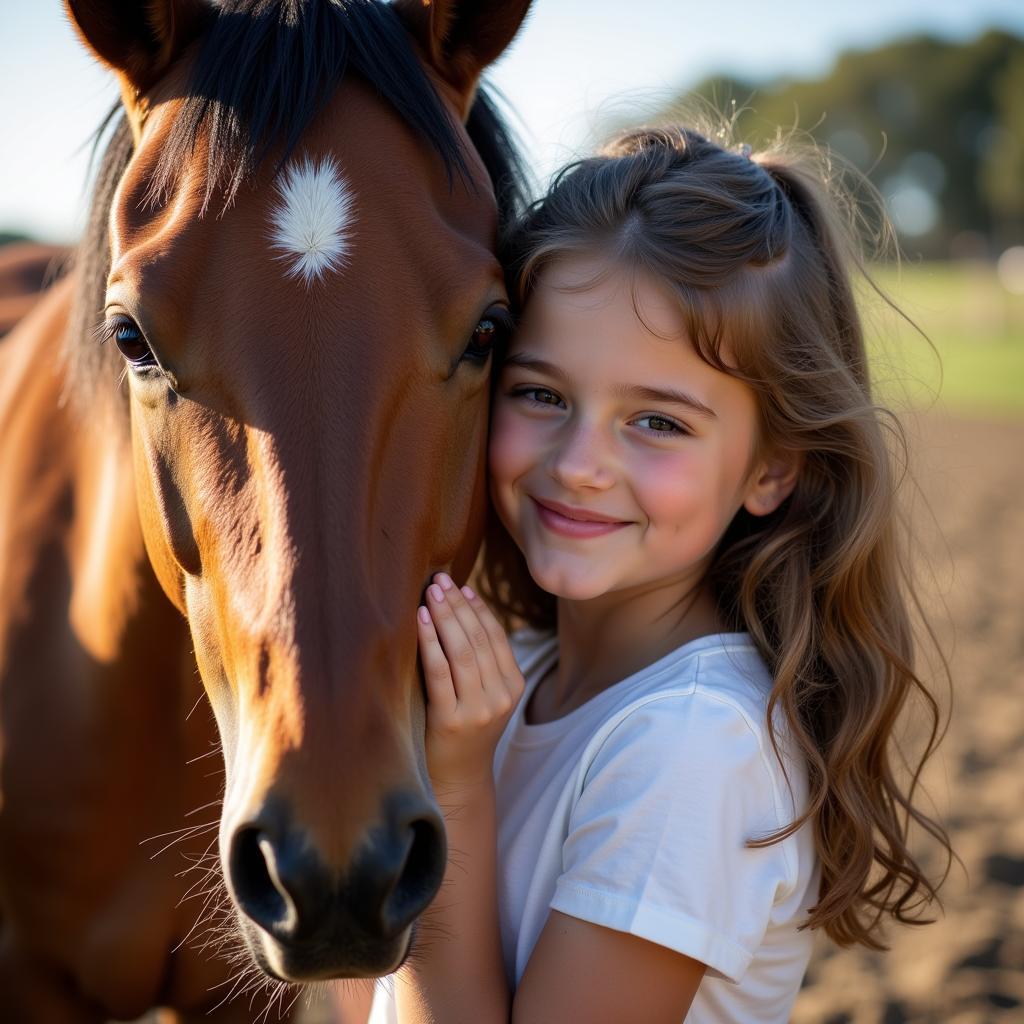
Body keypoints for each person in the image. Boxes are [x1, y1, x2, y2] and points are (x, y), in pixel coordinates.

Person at [366, 124, 949, 1023]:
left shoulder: (690, 749)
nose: (579, 463)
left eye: (660, 423)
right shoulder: (513, 673)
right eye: (541, 395)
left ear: (772, 467)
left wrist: (453, 793)